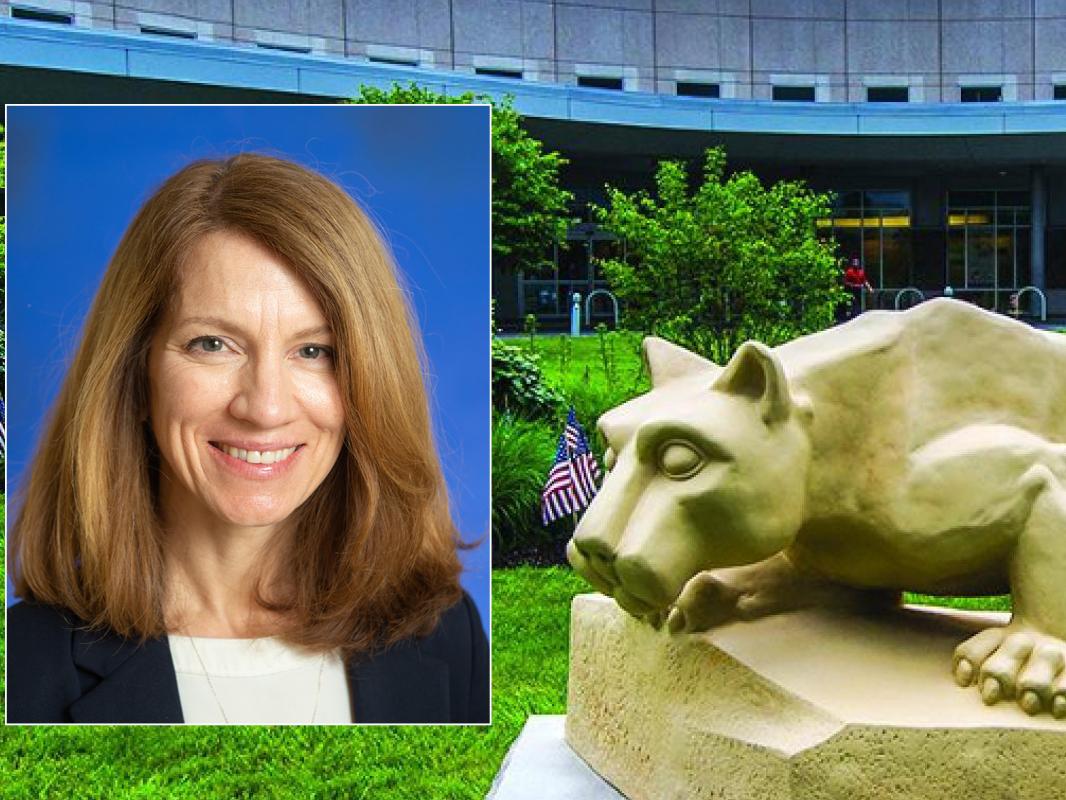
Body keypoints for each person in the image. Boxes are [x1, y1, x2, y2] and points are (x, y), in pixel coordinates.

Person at [7, 154, 489, 724]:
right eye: (212, 344)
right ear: (135, 376)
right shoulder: (25, 668)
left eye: (315, 352)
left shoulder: (446, 636)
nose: (265, 408)